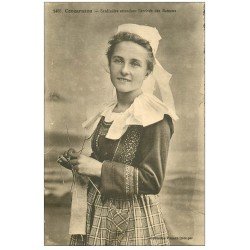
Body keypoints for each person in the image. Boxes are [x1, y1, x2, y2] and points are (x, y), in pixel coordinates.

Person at [57, 23, 178, 246]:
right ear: (109, 64)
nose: (124, 70)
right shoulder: (107, 112)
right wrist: (81, 163)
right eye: (118, 60)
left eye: (135, 63)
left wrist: (98, 168)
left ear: (148, 71)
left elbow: (152, 180)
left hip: (135, 219)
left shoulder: (156, 117)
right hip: (99, 212)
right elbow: (106, 158)